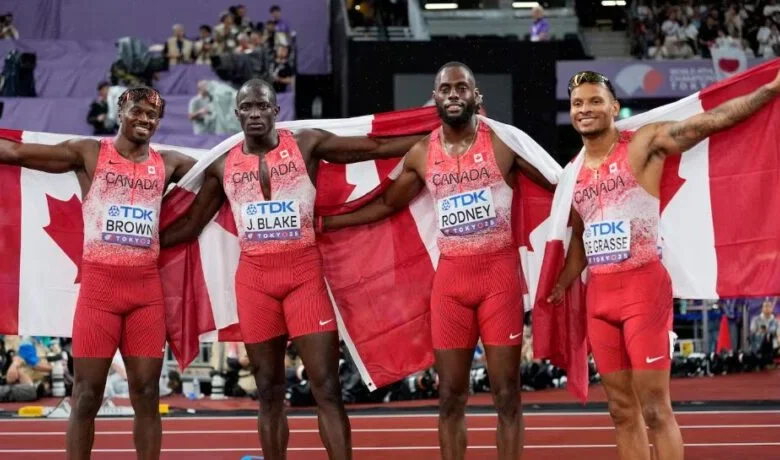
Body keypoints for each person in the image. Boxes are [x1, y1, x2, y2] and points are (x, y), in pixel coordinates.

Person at [159, 78, 422, 460]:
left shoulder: (306, 144)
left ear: (275, 111)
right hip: (256, 286)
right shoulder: (222, 165)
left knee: (326, 388)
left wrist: (436, 134)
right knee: (268, 391)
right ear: (236, 114)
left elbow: (375, 147)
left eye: (262, 106)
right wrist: (140, 242)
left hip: (303, 281)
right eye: (247, 107)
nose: (255, 114)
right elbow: (190, 225)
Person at [322, 62, 555, 460]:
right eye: (445, 89)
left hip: (499, 281)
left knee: (506, 395)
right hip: (450, 287)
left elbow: (557, 185)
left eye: (461, 88)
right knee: (450, 396)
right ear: (435, 98)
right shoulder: (421, 152)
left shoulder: (504, 144)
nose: (453, 95)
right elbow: (387, 204)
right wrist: (328, 222)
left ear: (476, 96)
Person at [546, 69, 780, 460]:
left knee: (655, 408)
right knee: (621, 410)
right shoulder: (572, 173)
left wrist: (770, 90)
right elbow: (581, 240)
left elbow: (712, 121)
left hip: (643, 290)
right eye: (578, 103)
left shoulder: (643, 145)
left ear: (614, 108)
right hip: (599, 298)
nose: (585, 109)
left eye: (595, 101)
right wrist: (561, 282)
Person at [0, 87, 196, 460]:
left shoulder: (168, 163)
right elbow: (15, 152)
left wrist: (186, 228)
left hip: (145, 296)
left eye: (153, 115)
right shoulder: (90, 153)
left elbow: (223, 172)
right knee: (86, 395)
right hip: (99, 295)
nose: (145, 119)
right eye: (137, 111)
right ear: (120, 111)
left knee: (147, 394)